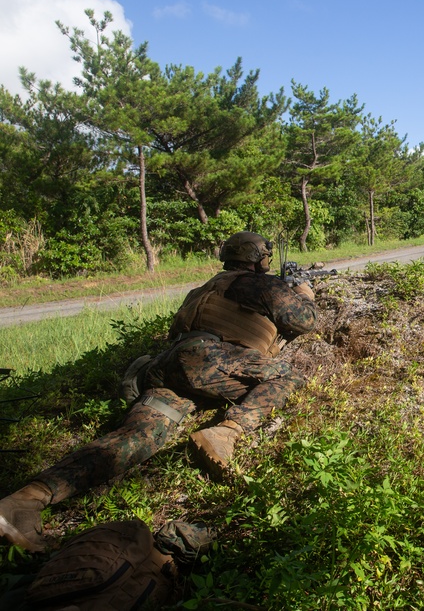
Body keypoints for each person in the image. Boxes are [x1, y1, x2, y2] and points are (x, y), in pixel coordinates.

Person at [0, 232, 317, 551]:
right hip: (210, 360)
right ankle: (226, 432)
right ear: (261, 259)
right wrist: (305, 292)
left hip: (170, 367)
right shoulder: (263, 285)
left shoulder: (203, 288)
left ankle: (26, 499)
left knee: (137, 437)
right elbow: (305, 321)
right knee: (287, 375)